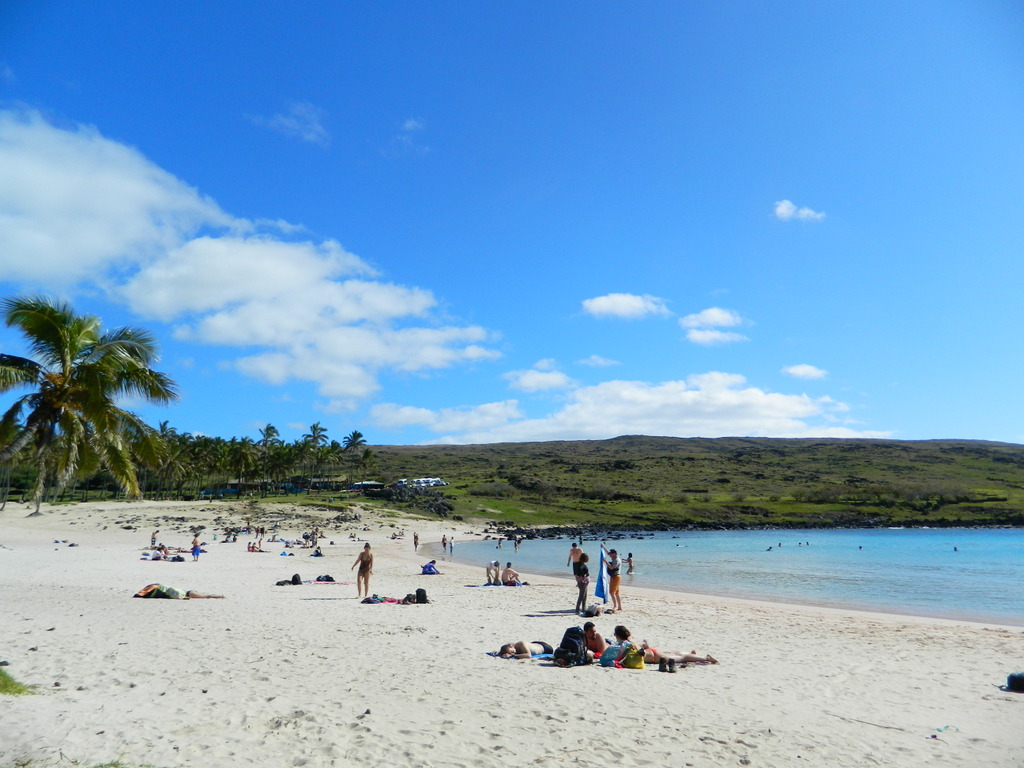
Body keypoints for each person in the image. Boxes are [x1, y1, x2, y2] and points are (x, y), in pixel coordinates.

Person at [603, 547, 622, 612]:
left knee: (611, 592)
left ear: (614, 554)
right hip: (615, 576)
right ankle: (619, 606)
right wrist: (603, 547)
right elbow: (608, 552)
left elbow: (611, 567)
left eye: (611, 554)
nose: (609, 555)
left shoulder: (616, 560)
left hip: (615, 577)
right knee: (616, 592)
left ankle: (615, 606)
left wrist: (605, 562)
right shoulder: (614, 558)